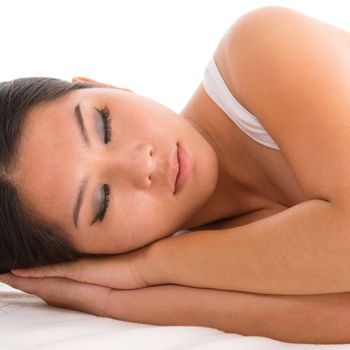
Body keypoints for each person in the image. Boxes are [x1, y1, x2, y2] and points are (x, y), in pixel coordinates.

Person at [1, 6, 350, 344]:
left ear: (101, 84)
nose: (143, 165)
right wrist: (111, 301)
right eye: (100, 201)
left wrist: (150, 268)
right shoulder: (212, 257)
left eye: (103, 125)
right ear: (93, 254)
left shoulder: (262, 46)